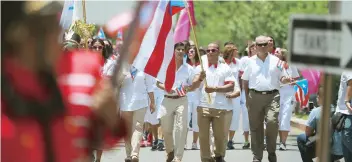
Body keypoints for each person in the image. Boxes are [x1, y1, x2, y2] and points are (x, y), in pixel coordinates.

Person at [1, 2, 126, 162]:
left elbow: (105, 140)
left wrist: (110, 119)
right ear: (17, 36)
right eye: (42, 28)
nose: (57, 34)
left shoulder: (84, 70)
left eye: (55, 23)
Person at [242, 36, 291, 162]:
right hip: (254, 96)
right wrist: (247, 98)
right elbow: (245, 80)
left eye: (265, 44)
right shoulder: (250, 61)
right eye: (260, 44)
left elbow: (283, 77)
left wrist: (285, 79)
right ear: (255, 46)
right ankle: (257, 156)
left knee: (272, 122)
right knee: (255, 127)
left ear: (269, 46)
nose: (263, 47)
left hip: (272, 96)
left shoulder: (277, 61)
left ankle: (271, 151)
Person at [157, 42, 203, 162]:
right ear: (174, 51)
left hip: (182, 100)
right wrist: (167, 88)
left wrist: (198, 80)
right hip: (167, 100)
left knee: (181, 128)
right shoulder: (166, 66)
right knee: (166, 130)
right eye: (178, 49)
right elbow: (158, 82)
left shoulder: (189, 69)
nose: (181, 51)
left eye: (183, 49)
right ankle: (170, 150)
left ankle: (178, 157)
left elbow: (194, 86)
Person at [192, 42, 235, 162]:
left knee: (220, 136)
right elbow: (193, 86)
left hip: (220, 107)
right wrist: (200, 78)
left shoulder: (225, 67)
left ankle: (219, 155)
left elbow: (231, 86)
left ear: (219, 52)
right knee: (204, 136)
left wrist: (215, 89)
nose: (210, 52)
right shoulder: (200, 67)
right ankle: (206, 159)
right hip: (203, 106)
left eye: (213, 50)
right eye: (208, 50)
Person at [297, 87, 344, 162]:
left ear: (320, 97)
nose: (316, 99)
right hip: (340, 152)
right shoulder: (338, 110)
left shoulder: (316, 111)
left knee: (300, 138)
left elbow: (308, 132)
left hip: (326, 149)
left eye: (317, 97)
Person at [119, 64, 155, 162]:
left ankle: (135, 154)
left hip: (141, 102)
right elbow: (116, 84)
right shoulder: (122, 66)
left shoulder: (144, 66)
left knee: (138, 127)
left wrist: (152, 101)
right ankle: (128, 154)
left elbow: (149, 86)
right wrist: (122, 73)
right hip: (125, 102)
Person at [274, 48, 300, 151]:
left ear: (283, 54)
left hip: (289, 92)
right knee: (277, 117)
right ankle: (272, 141)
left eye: (277, 52)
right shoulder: (274, 64)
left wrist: (293, 81)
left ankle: (283, 142)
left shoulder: (291, 65)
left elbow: (296, 78)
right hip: (277, 92)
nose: (275, 53)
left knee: (285, 117)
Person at [186, 46, 201, 150]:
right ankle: (183, 142)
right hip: (186, 95)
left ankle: (194, 142)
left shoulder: (201, 66)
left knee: (196, 120)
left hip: (197, 95)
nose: (190, 53)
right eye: (189, 51)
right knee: (185, 119)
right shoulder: (185, 66)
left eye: (192, 51)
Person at [335, 71, 352, 161]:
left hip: (347, 110)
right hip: (343, 110)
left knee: (346, 135)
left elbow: (351, 82)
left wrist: (347, 101)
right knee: (345, 145)